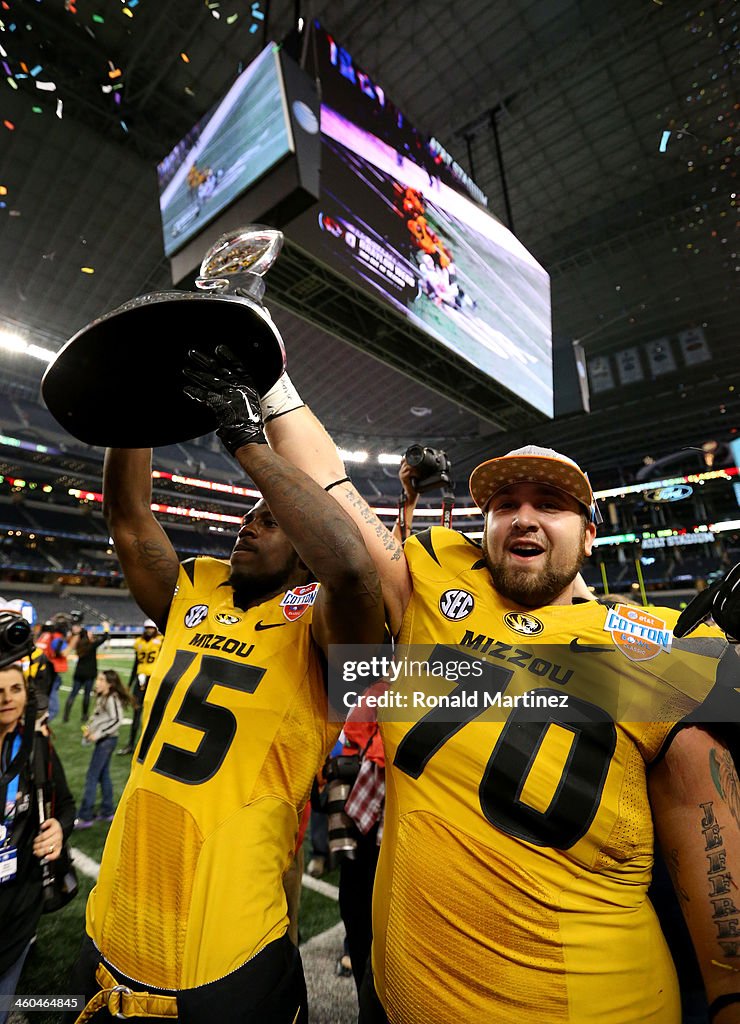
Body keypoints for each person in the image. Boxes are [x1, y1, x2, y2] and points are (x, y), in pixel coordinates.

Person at [259, 371, 740, 1023]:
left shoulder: (661, 647)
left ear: (591, 535)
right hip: (398, 1000)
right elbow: (337, 493)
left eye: (550, 502)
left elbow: (712, 853)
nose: (523, 515)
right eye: (505, 503)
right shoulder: (433, 579)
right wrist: (273, 389)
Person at [66, 347, 383, 1024]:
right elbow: (128, 520)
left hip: (229, 944)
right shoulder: (198, 587)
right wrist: (134, 409)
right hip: (113, 919)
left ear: (304, 554)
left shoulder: (323, 633)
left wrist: (248, 442)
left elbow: (354, 569)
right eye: (251, 515)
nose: (250, 522)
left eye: (271, 520)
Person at [0, 614, 76, 1024]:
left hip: (21, 902)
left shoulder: (35, 748)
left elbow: (65, 804)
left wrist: (59, 829)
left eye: (15, 689)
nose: (7, 698)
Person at [75, 669, 132, 828]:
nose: (97, 682)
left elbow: (117, 720)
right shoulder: (103, 696)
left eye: (101, 680)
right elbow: (100, 717)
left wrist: (98, 734)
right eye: (98, 679)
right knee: (103, 775)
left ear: (110, 684)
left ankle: (85, 816)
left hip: (107, 741)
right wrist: (90, 730)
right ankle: (107, 810)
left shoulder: (112, 698)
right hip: (104, 740)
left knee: (92, 776)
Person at [117, 619, 162, 755]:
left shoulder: (162, 641)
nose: (149, 630)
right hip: (140, 679)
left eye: (151, 628)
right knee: (137, 712)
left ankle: (148, 746)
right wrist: (130, 684)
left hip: (154, 679)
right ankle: (131, 744)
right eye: (147, 628)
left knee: (152, 714)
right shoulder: (139, 642)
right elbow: (136, 663)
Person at [64, 622, 110, 724]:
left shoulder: (79, 645)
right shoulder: (91, 645)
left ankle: (66, 716)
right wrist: (106, 628)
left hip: (79, 672)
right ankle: (84, 716)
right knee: (86, 695)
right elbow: (104, 637)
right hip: (89, 673)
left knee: (73, 694)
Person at [35, 615, 77, 722]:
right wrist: (75, 639)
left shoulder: (44, 635)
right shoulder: (56, 638)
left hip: (38, 673)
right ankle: (38, 728)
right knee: (53, 709)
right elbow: (64, 652)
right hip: (49, 674)